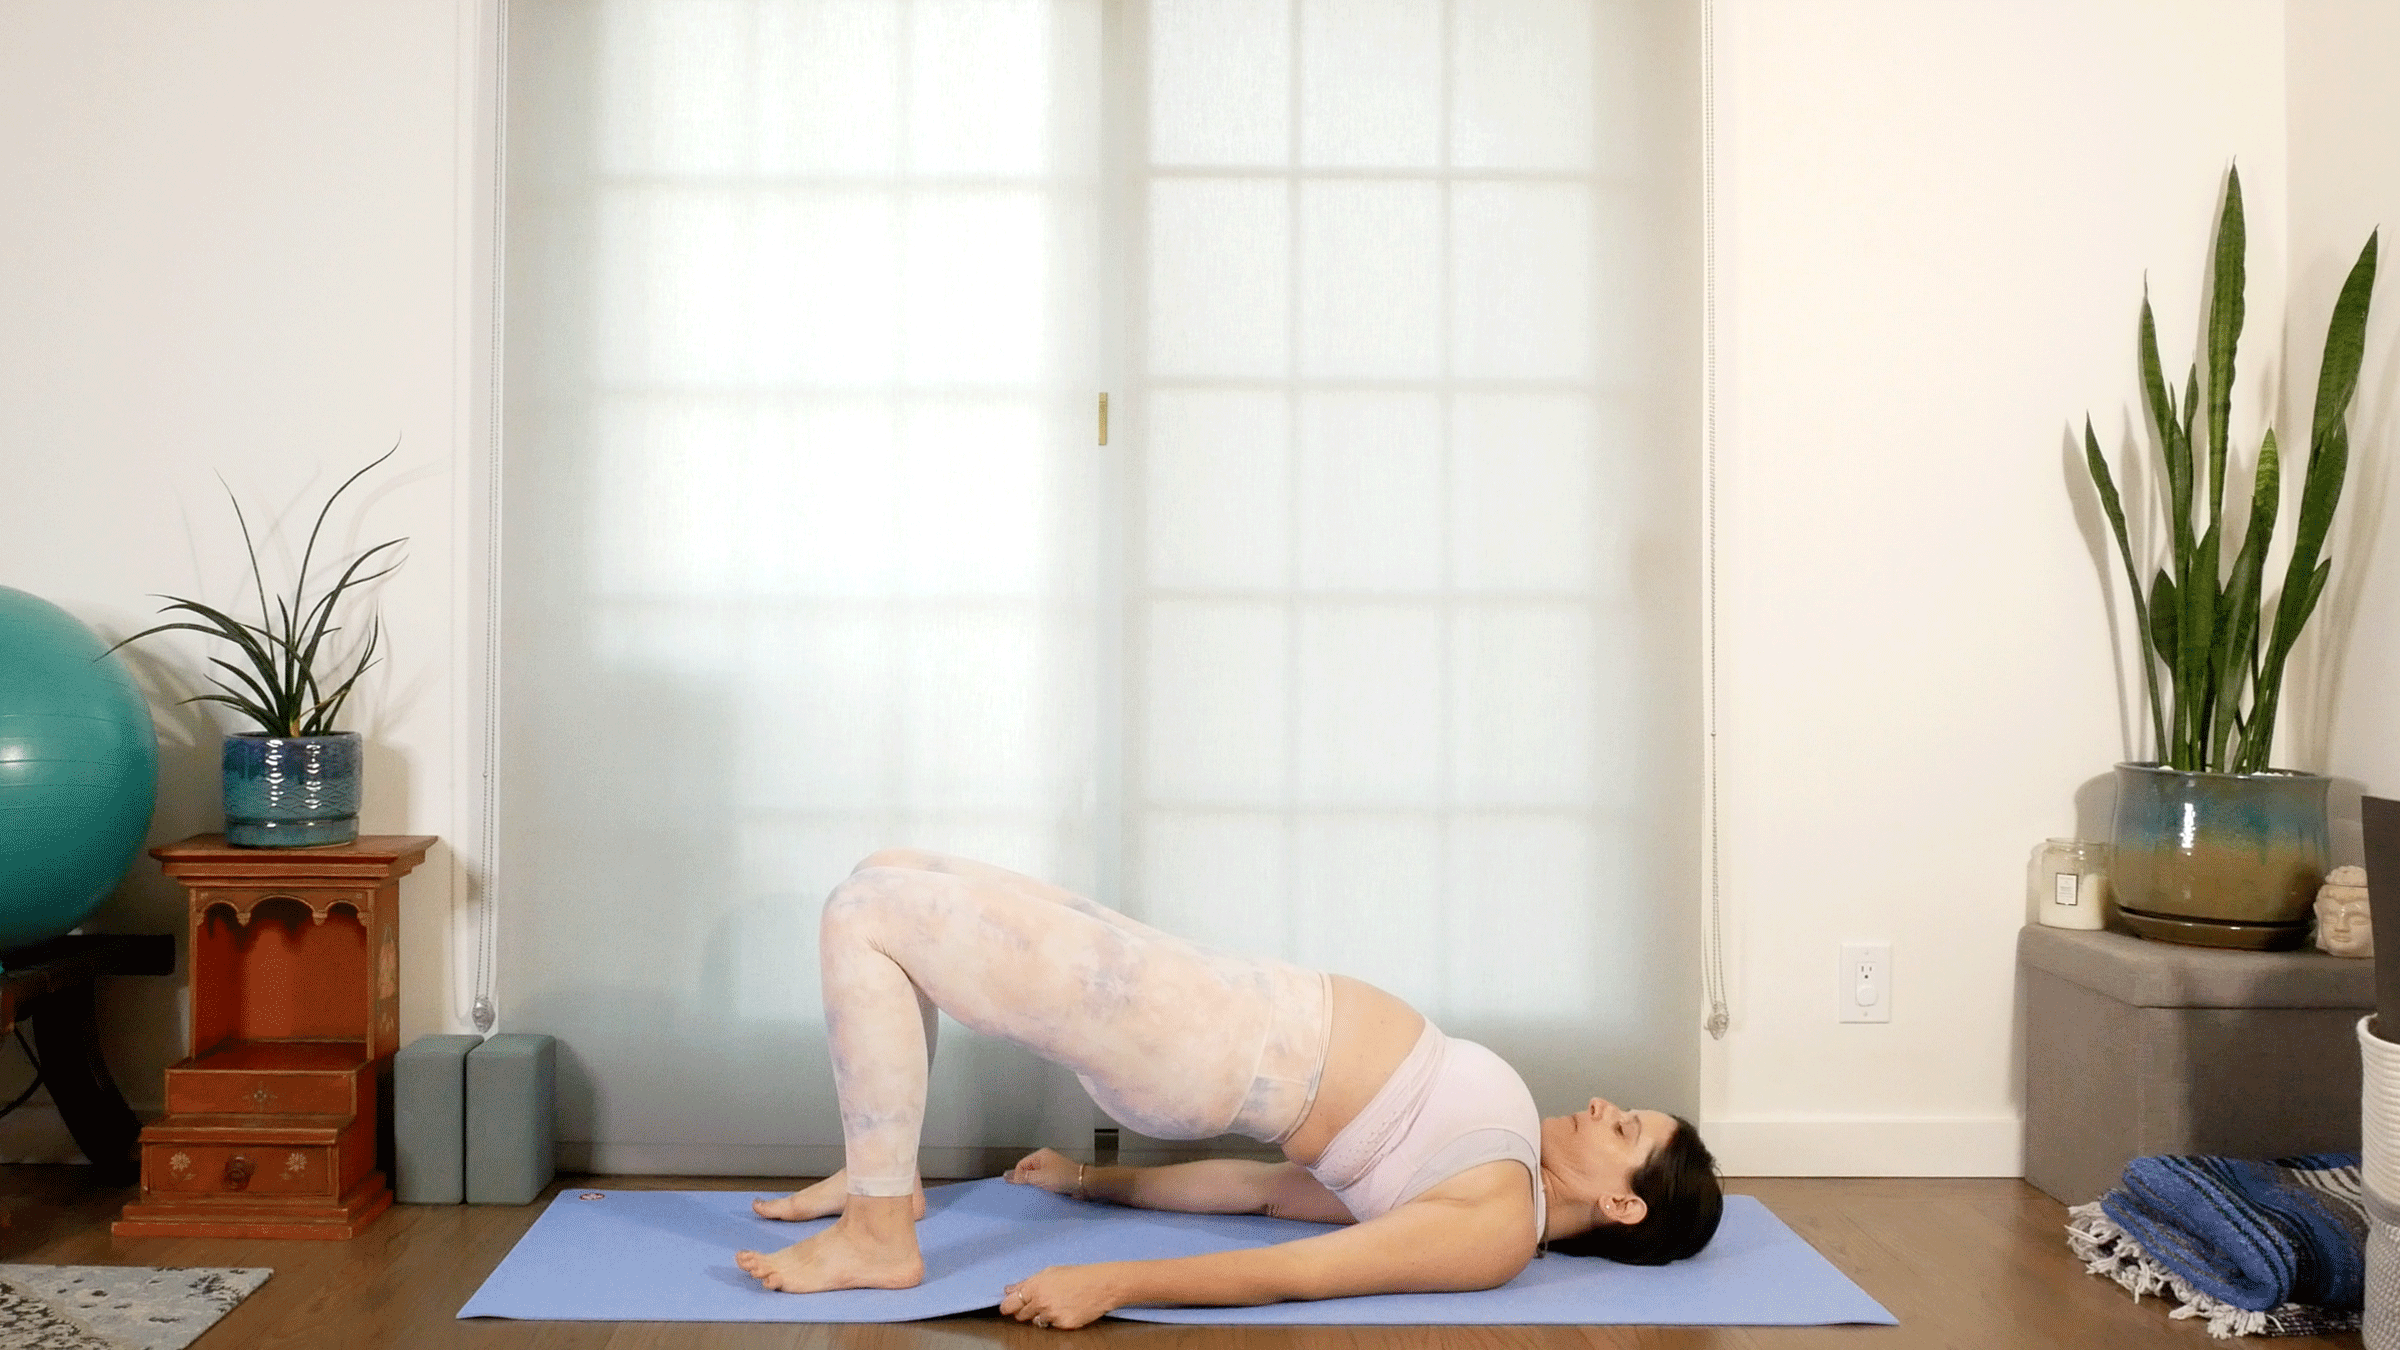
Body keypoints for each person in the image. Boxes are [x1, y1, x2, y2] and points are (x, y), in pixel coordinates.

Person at [734, 850, 1722, 1327]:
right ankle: (886, 1182)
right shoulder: (1491, 1165)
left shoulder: (1498, 1223)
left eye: (1625, 1126)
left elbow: (1300, 1274)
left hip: (1203, 1041)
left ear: (1626, 1201)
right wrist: (1089, 1181)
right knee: (889, 877)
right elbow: (1261, 1193)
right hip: (1213, 1001)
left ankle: (878, 1231)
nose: (1602, 1106)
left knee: (869, 912)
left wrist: (1116, 1282)